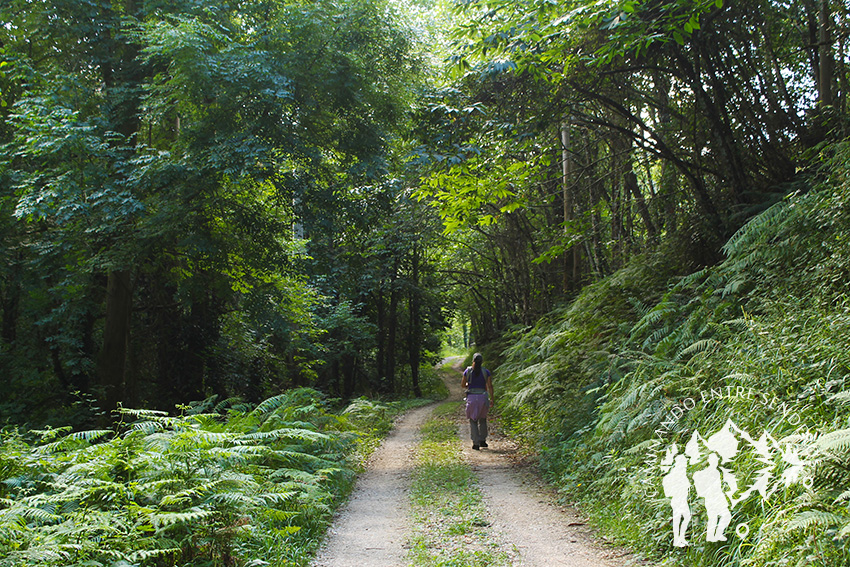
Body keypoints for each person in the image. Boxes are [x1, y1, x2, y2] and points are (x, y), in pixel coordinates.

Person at [461, 353, 494, 450]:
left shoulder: (468, 371)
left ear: (473, 361)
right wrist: (492, 398)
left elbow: (463, 385)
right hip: (483, 397)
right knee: (483, 419)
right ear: (482, 361)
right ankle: (482, 440)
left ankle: (475, 443)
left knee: (473, 420)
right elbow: (490, 386)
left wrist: (469, 385)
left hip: (471, 397)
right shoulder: (486, 372)